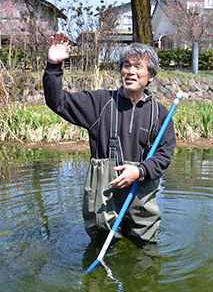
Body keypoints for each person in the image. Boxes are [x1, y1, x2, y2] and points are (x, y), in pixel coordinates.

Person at [43, 31, 176, 244]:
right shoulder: (99, 103)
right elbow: (57, 101)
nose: (130, 72)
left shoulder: (160, 114)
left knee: (145, 249)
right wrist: (53, 65)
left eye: (137, 66)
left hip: (141, 192)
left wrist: (140, 171)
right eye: (126, 65)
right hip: (104, 197)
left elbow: (164, 154)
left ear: (150, 75)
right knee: (103, 245)